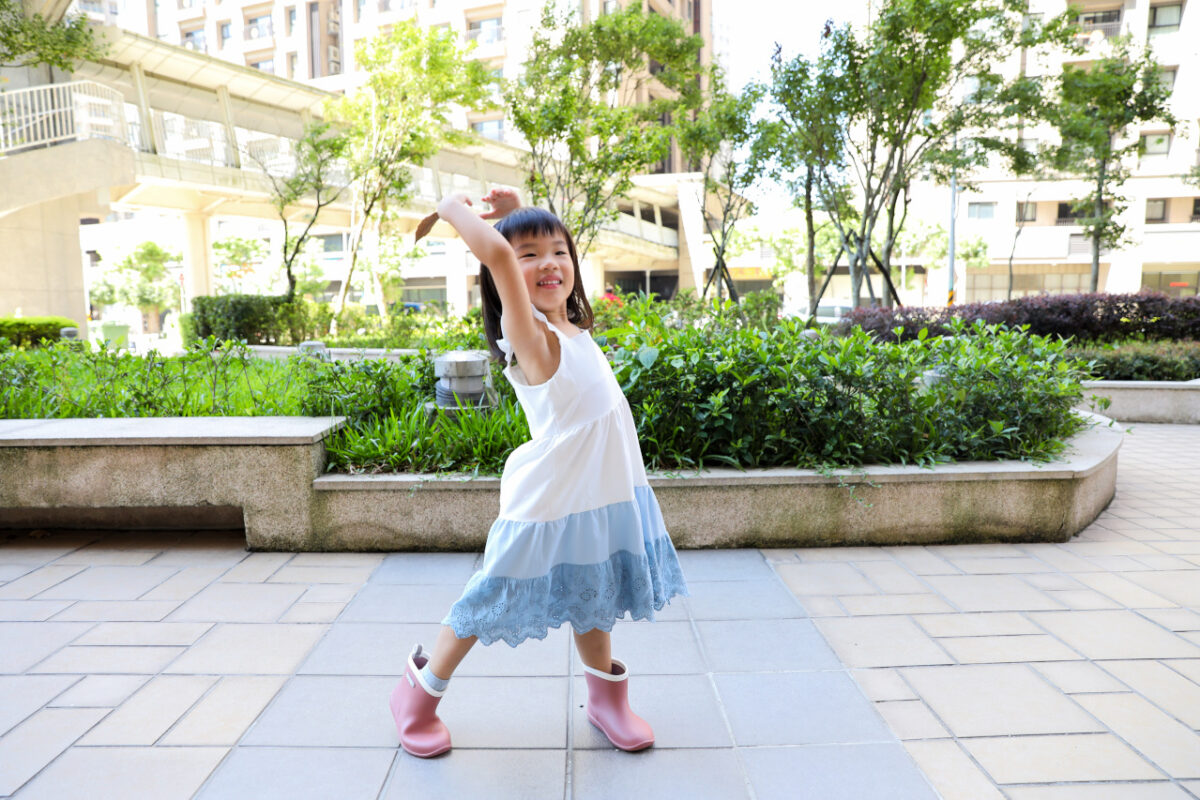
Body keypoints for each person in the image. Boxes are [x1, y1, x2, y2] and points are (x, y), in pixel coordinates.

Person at [388, 187, 689, 758]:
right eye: (529, 256)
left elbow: (534, 255)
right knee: (490, 598)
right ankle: (417, 695)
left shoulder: (570, 327)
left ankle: (606, 701)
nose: (549, 263)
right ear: (504, 277)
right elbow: (501, 258)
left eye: (559, 251)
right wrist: (453, 209)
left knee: (593, 590)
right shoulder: (531, 338)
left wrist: (519, 211)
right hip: (548, 500)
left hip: (601, 493)